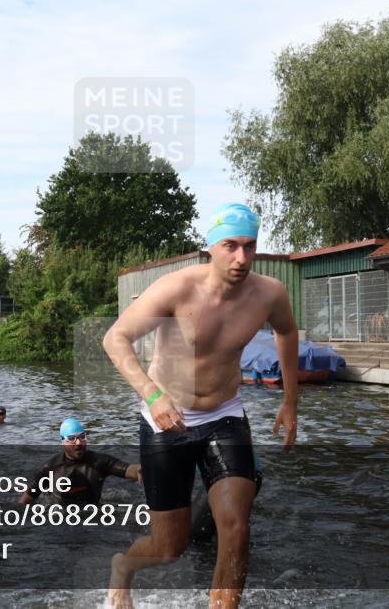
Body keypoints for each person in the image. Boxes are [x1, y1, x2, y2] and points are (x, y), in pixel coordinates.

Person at [101, 202, 299, 609]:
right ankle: (123, 567)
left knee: (236, 527)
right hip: (166, 421)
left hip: (224, 416)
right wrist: (153, 396)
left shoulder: (268, 294)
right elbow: (115, 339)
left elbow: (287, 331)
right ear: (211, 247)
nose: (241, 257)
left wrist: (290, 401)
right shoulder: (176, 289)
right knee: (169, 547)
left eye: (250, 246)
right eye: (231, 246)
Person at [19, 417, 140, 507]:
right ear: (63, 441)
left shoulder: (99, 462)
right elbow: (25, 502)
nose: (78, 443)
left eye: (82, 437)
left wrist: (145, 469)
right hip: (60, 522)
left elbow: (129, 469)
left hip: (93, 518)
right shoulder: (50, 468)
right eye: (72, 439)